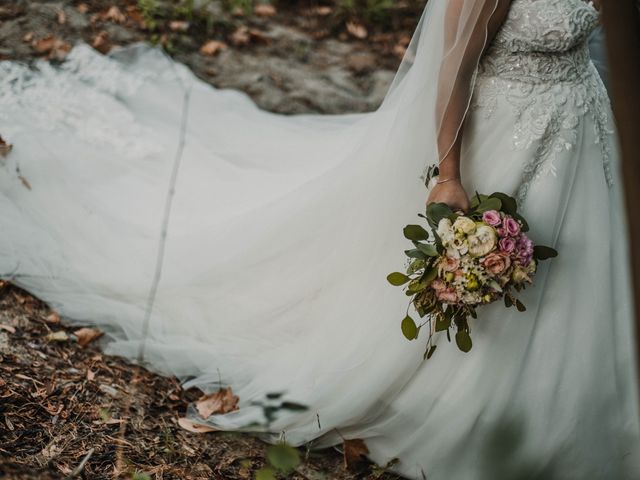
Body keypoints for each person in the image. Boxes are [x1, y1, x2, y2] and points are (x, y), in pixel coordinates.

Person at [0, 0, 638, 478]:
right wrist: (449, 173)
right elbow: (455, 62)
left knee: (585, 275)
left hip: (580, 127)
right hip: (503, 134)